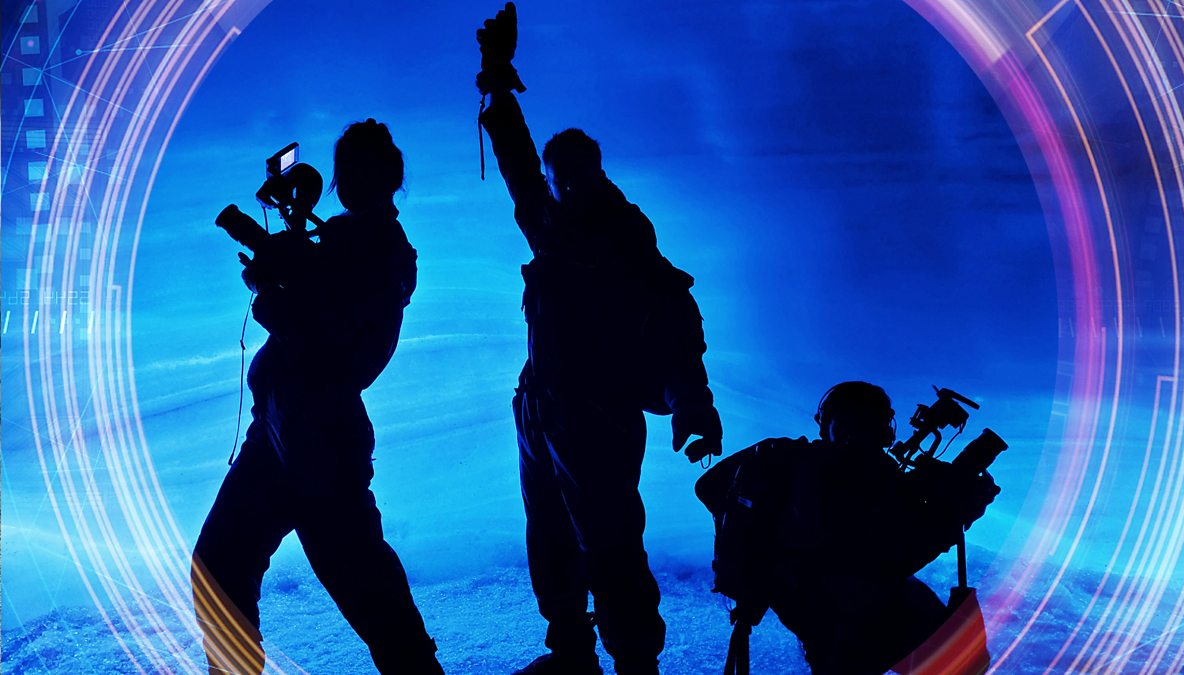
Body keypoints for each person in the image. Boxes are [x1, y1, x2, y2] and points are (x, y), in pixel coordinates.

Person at [475, 5, 724, 674]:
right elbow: (518, 164)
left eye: (573, 174)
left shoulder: (623, 237)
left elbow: (674, 318)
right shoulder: (555, 225)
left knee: (609, 539)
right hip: (543, 407)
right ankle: (572, 651)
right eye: (559, 177)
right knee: (550, 532)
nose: (563, 185)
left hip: (595, 414)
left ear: (595, 171)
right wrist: (496, 83)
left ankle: (635, 659)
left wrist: (692, 402)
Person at [191, 120, 443, 674]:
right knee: (219, 566)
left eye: (360, 168)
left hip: (320, 441)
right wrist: (280, 276)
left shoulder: (383, 252)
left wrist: (270, 296)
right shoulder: (344, 240)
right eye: (345, 168)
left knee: (372, 597)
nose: (346, 180)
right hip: (281, 432)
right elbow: (316, 302)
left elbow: (342, 344)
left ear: (387, 176)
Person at [698, 381, 999, 674]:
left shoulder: (788, 458)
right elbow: (889, 559)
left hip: (812, 602)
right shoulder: (845, 479)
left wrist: (761, 549)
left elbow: (708, 486)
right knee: (959, 659)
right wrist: (955, 514)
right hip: (842, 611)